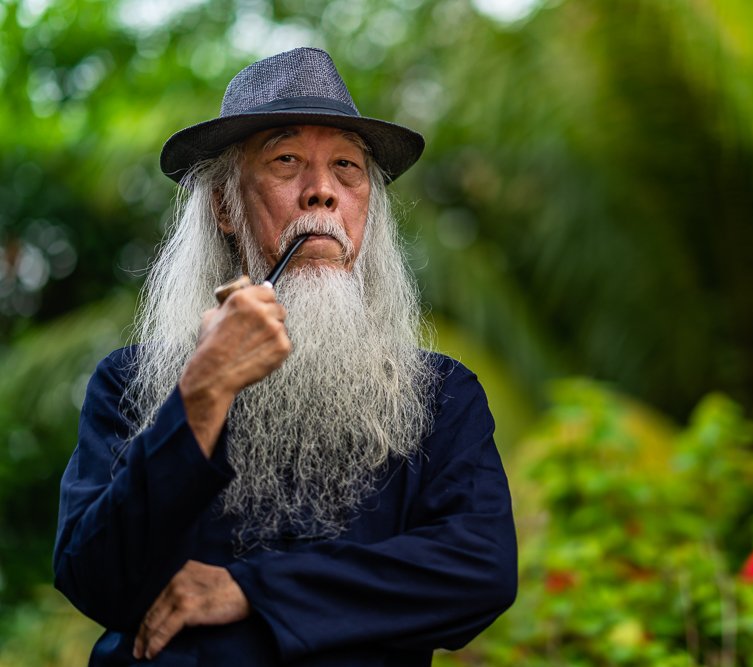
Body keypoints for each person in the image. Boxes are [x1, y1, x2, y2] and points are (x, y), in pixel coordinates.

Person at [53, 47, 517, 666]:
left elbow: (478, 570)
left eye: (347, 168)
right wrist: (202, 395)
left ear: (367, 209)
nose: (321, 192)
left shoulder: (438, 394)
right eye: (286, 161)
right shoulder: (132, 382)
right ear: (224, 207)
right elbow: (94, 577)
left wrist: (251, 590)